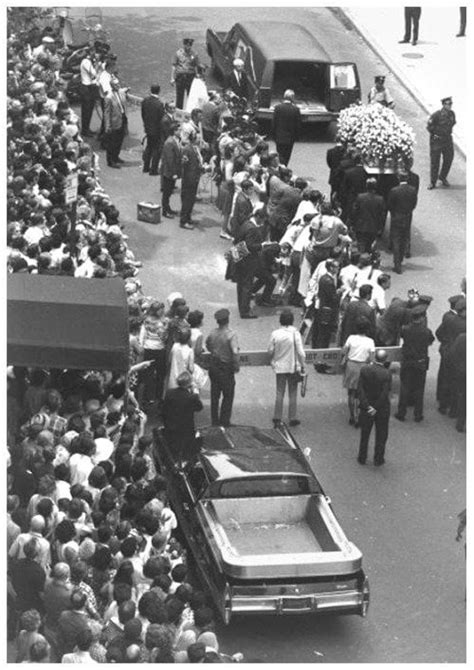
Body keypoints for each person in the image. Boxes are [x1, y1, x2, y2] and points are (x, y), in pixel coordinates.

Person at [395, 305, 435, 422]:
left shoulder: (405, 329)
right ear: (422, 318)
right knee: (419, 388)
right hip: (421, 362)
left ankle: (401, 413)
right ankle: (418, 414)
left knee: (405, 387)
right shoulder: (426, 331)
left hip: (407, 362)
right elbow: (431, 341)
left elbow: (401, 335)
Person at [268, 309, 306, 427]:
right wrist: (303, 365)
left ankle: (277, 416)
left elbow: (270, 350)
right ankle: (292, 417)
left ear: (280, 321)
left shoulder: (275, 334)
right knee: (293, 392)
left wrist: (273, 358)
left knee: (280, 392)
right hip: (293, 367)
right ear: (292, 321)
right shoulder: (295, 334)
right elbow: (301, 352)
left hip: (279, 366)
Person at [205, 308, 240, 427]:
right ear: (228, 320)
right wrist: (236, 365)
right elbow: (235, 352)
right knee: (228, 395)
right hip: (226, 367)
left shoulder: (212, 333)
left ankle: (214, 421)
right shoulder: (231, 335)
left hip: (214, 366)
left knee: (214, 395)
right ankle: (224, 421)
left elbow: (208, 345)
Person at [357, 349, 392, 466]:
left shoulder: (365, 370)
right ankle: (378, 458)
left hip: (366, 407)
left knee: (365, 433)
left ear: (375, 358)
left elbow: (360, 389)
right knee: (381, 434)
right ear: (385, 360)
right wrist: (376, 407)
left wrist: (367, 405)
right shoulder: (386, 373)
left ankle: (362, 457)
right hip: (381, 409)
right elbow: (385, 393)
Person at [162, 371, 203, 466]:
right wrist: (196, 394)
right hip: (186, 430)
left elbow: (164, 410)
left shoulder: (169, 393)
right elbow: (199, 407)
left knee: (172, 453)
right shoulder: (191, 397)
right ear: (189, 384)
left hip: (171, 427)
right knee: (186, 454)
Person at [435, 295, 466, 415]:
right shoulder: (466, 325)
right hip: (460, 357)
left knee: (445, 379)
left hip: (447, 353)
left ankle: (443, 405)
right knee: (457, 384)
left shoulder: (449, 319)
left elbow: (438, 332)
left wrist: (445, 343)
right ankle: (454, 410)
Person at [341, 319, 376, 426]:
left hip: (351, 366)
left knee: (351, 393)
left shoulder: (351, 338)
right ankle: (359, 415)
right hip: (363, 367)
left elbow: (344, 351)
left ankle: (352, 416)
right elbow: (372, 358)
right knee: (360, 394)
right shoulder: (370, 341)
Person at [234, 206, 266, 318]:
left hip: (240, 257)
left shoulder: (246, 224)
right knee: (247, 285)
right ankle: (245, 311)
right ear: (257, 217)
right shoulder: (252, 229)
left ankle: (242, 308)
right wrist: (261, 245)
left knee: (241, 284)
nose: (262, 222)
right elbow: (250, 246)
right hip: (248, 261)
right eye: (261, 219)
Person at [387, 173, 418, 273]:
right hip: (407, 216)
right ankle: (400, 258)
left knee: (396, 239)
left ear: (398, 178)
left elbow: (390, 204)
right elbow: (414, 203)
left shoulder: (394, 190)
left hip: (397, 216)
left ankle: (397, 264)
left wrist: (394, 212)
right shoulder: (412, 190)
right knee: (404, 238)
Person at [426, 97, 456, 189]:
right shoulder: (437, 115)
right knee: (435, 161)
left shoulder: (452, 114)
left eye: (451, 103)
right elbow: (429, 126)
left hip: (447, 140)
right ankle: (433, 182)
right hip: (437, 141)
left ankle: (442, 177)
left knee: (449, 159)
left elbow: (453, 123)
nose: (450, 105)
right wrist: (435, 134)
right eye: (448, 104)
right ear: (443, 105)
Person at [351, 177, 387, 251]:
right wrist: (380, 227)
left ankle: (361, 259)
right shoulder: (380, 199)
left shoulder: (360, 197)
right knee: (369, 247)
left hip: (360, 226)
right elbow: (382, 215)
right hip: (373, 227)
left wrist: (353, 223)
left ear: (366, 186)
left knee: (360, 245)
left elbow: (354, 211)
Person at [103, 76, 128, 168]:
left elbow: (124, 92)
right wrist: (108, 126)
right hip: (114, 122)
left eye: (118, 84)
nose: (118, 86)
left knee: (119, 140)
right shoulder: (109, 97)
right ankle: (111, 161)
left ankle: (116, 156)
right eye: (116, 85)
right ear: (112, 86)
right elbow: (107, 113)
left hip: (122, 119)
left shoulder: (121, 92)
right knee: (112, 143)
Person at [272, 89, 301, 167]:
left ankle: (280, 168)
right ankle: (284, 168)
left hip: (279, 137)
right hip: (290, 139)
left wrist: (273, 136)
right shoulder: (296, 109)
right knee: (287, 156)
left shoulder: (277, 108)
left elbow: (274, 123)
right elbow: (298, 125)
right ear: (292, 98)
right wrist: (297, 137)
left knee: (280, 155)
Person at [180, 132, 202, 229]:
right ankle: (183, 221)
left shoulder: (195, 148)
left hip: (195, 177)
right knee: (187, 200)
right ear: (193, 139)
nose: (200, 140)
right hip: (189, 179)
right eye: (198, 138)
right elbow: (183, 164)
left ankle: (188, 217)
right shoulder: (187, 149)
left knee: (191, 200)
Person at [141, 84, 164, 175]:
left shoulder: (145, 100)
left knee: (149, 148)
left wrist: (146, 124)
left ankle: (146, 167)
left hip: (148, 128)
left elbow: (143, 114)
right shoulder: (159, 103)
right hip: (156, 130)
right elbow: (161, 118)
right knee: (156, 150)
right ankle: (153, 169)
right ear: (159, 91)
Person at [171, 38, 200, 110]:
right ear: (184, 45)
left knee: (191, 97)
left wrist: (197, 75)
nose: (188, 47)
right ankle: (178, 114)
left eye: (190, 45)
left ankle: (190, 113)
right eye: (187, 45)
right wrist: (172, 78)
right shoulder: (178, 53)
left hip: (190, 77)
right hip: (180, 77)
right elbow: (174, 66)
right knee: (179, 97)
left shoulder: (194, 54)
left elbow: (196, 65)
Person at [160, 123, 182, 218]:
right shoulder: (169, 142)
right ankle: (165, 211)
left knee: (169, 192)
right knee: (166, 192)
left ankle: (168, 208)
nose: (180, 132)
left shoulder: (175, 140)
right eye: (178, 130)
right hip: (168, 172)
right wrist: (173, 173)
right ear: (174, 131)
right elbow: (169, 160)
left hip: (172, 171)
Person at [79, 47, 98, 136]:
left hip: (90, 88)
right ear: (90, 52)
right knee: (86, 110)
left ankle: (87, 128)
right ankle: (85, 130)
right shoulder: (86, 62)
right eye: (94, 51)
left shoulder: (90, 61)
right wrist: (97, 64)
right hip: (86, 88)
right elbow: (93, 73)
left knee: (90, 110)